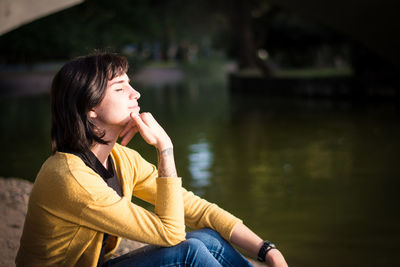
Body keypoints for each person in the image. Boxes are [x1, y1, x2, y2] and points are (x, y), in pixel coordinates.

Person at [16, 53, 288, 267]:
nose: (136, 93)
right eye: (121, 88)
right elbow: (170, 234)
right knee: (190, 251)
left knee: (207, 237)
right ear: (90, 110)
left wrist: (267, 250)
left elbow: (195, 208)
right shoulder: (72, 178)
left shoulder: (121, 158)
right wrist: (165, 150)